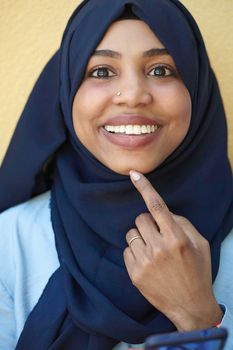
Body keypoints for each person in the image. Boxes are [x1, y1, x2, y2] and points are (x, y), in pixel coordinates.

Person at [0, 0, 232, 349]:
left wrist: (199, 316)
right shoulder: (11, 240)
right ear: (66, 93)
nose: (134, 95)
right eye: (102, 72)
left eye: (161, 70)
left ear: (198, 91)